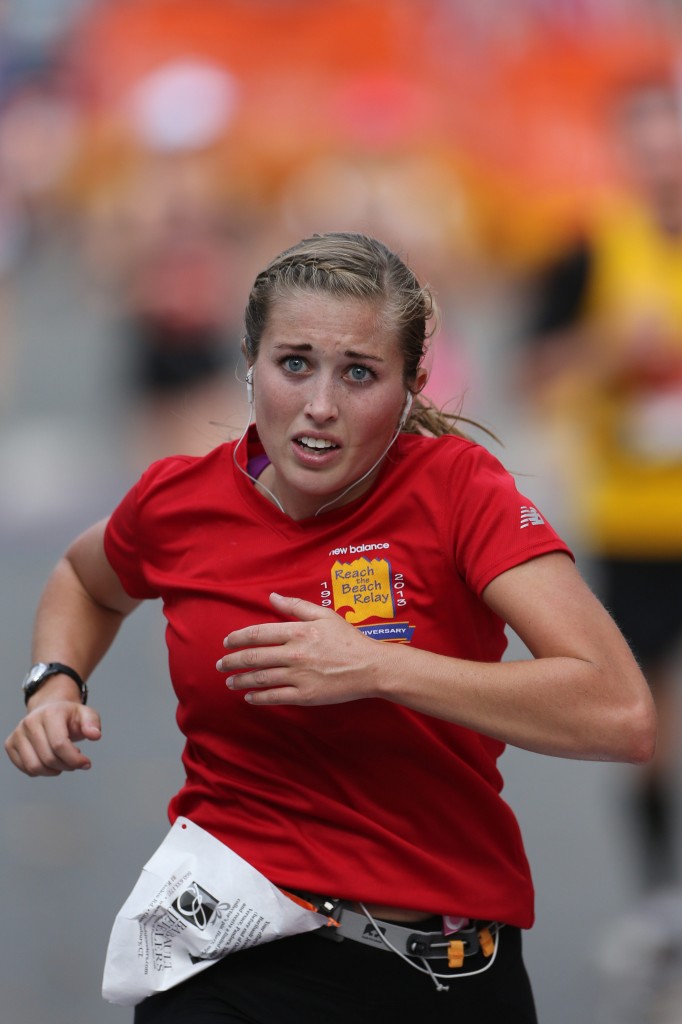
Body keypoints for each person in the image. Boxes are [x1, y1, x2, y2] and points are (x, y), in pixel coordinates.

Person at [5, 232, 656, 1024]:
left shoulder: (458, 492)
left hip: (437, 970)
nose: (320, 405)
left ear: (413, 384)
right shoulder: (179, 501)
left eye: (359, 373)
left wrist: (379, 668)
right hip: (227, 955)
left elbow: (620, 714)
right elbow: (83, 579)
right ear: (249, 361)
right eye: (294, 363)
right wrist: (53, 684)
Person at [522, 75, 682, 893]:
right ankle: (659, 898)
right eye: (651, 153)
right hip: (636, 525)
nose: (668, 169)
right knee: (648, 725)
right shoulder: (589, 250)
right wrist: (612, 351)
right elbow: (535, 376)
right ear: (629, 158)